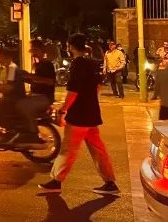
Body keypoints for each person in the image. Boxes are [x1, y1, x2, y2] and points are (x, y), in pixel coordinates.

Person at [39, 34, 119, 195]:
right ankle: (110, 182)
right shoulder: (93, 63)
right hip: (91, 113)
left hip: (78, 115)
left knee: (68, 149)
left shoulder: (77, 64)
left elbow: (73, 91)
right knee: (98, 149)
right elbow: (97, 87)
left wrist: (63, 110)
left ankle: (56, 181)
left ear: (70, 47)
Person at [15, 40, 56, 145]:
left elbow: (49, 81)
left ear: (42, 51)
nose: (33, 53)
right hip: (35, 96)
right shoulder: (36, 65)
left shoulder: (47, 64)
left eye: (35, 50)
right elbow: (34, 80)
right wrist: (22, 77)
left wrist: (29, 76)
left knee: (23, 105)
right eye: (32, 51)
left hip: (44, 98)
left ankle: (33, 134)